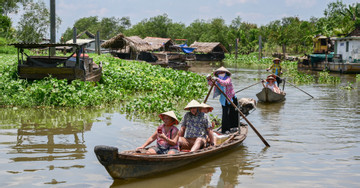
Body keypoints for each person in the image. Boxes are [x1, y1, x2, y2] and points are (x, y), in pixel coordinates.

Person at [206, 66, 239, 134]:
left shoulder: (228, 78)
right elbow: (211, 84)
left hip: (231, 97)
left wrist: (218, 80)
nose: (221, 73)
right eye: (219, 72)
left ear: (225, 73)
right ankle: (225, 129)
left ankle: (234, 126)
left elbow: (225, 83)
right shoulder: (217, 79)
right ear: (217, 73)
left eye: (222, 72)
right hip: (224, 99)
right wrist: (209, 80)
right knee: (225, 114)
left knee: (233, 112)